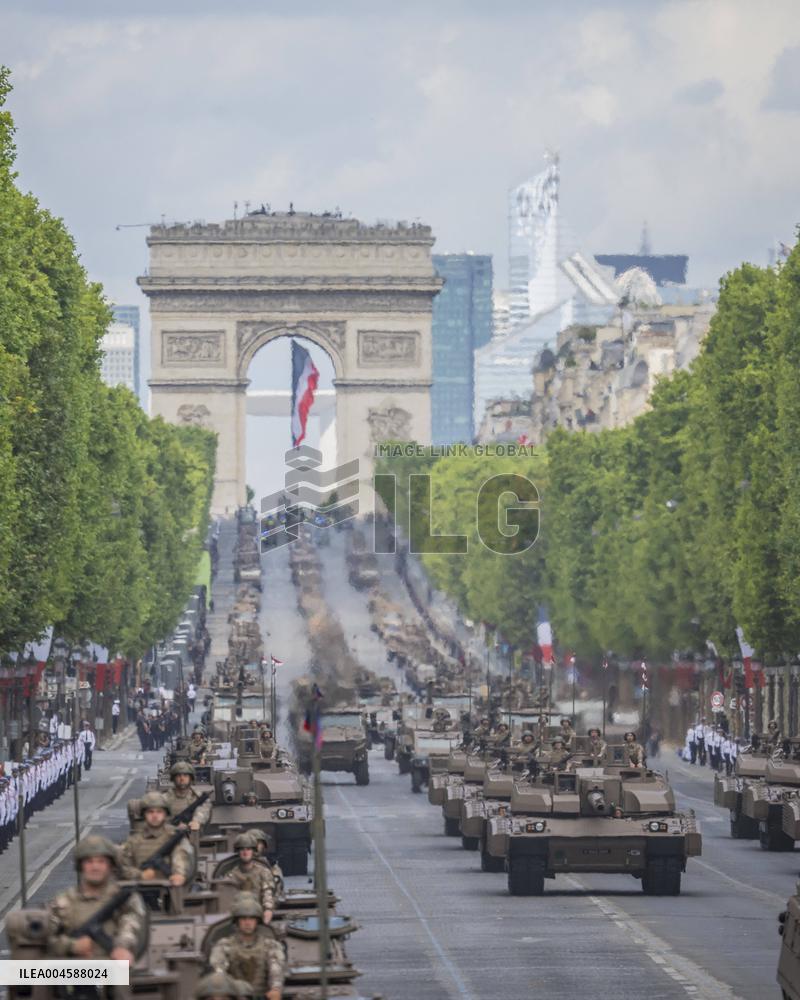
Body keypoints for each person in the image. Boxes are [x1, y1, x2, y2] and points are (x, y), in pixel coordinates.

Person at [46, 835, 146, 961]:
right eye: (89, 862)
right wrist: (71, 946)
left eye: (101, 861)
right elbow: (44, 936)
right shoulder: (63, 902)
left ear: (110, 866)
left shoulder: (124, 900)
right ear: (80, 866)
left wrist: (122, 947)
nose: (95, 867)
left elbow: (131, 926)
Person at [208, 892, 285, 1000]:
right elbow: (219, 971)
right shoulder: (223, 945)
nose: (247, 923)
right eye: (243, 919)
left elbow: (275, 969)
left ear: (257, 921)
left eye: (251, 919)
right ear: (237, 922)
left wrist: (275, 989)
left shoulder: (270, 946)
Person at [119, 792, 192, 887]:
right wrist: (140, 875)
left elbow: (180, 857)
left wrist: (178, 874)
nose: (155, 815)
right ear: (144, 815)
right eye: (150, 812)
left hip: (171, 890)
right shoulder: (134, 841)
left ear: (165, 814)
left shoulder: (173, 838)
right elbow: (124, 867)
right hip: (141, 890)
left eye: (159, 812)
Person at [226, 832, 277, 923]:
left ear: (254, 851)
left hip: (259, 918)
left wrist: (264, 924)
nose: (245, 852)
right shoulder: (231, 876)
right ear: (238, 851)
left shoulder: (264, 873)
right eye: (242, 849)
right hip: (238, 920)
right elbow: (228, 905)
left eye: (249, 849)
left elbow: (268, 903)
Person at [165, 761, 212, 831]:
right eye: (178, 776)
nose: (182, 779)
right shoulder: (164, 798)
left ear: (191, 778)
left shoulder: (198, 797)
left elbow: (203, 810)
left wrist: (196, 821)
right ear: (173, 778)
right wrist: (174, 827)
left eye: (185, 776)